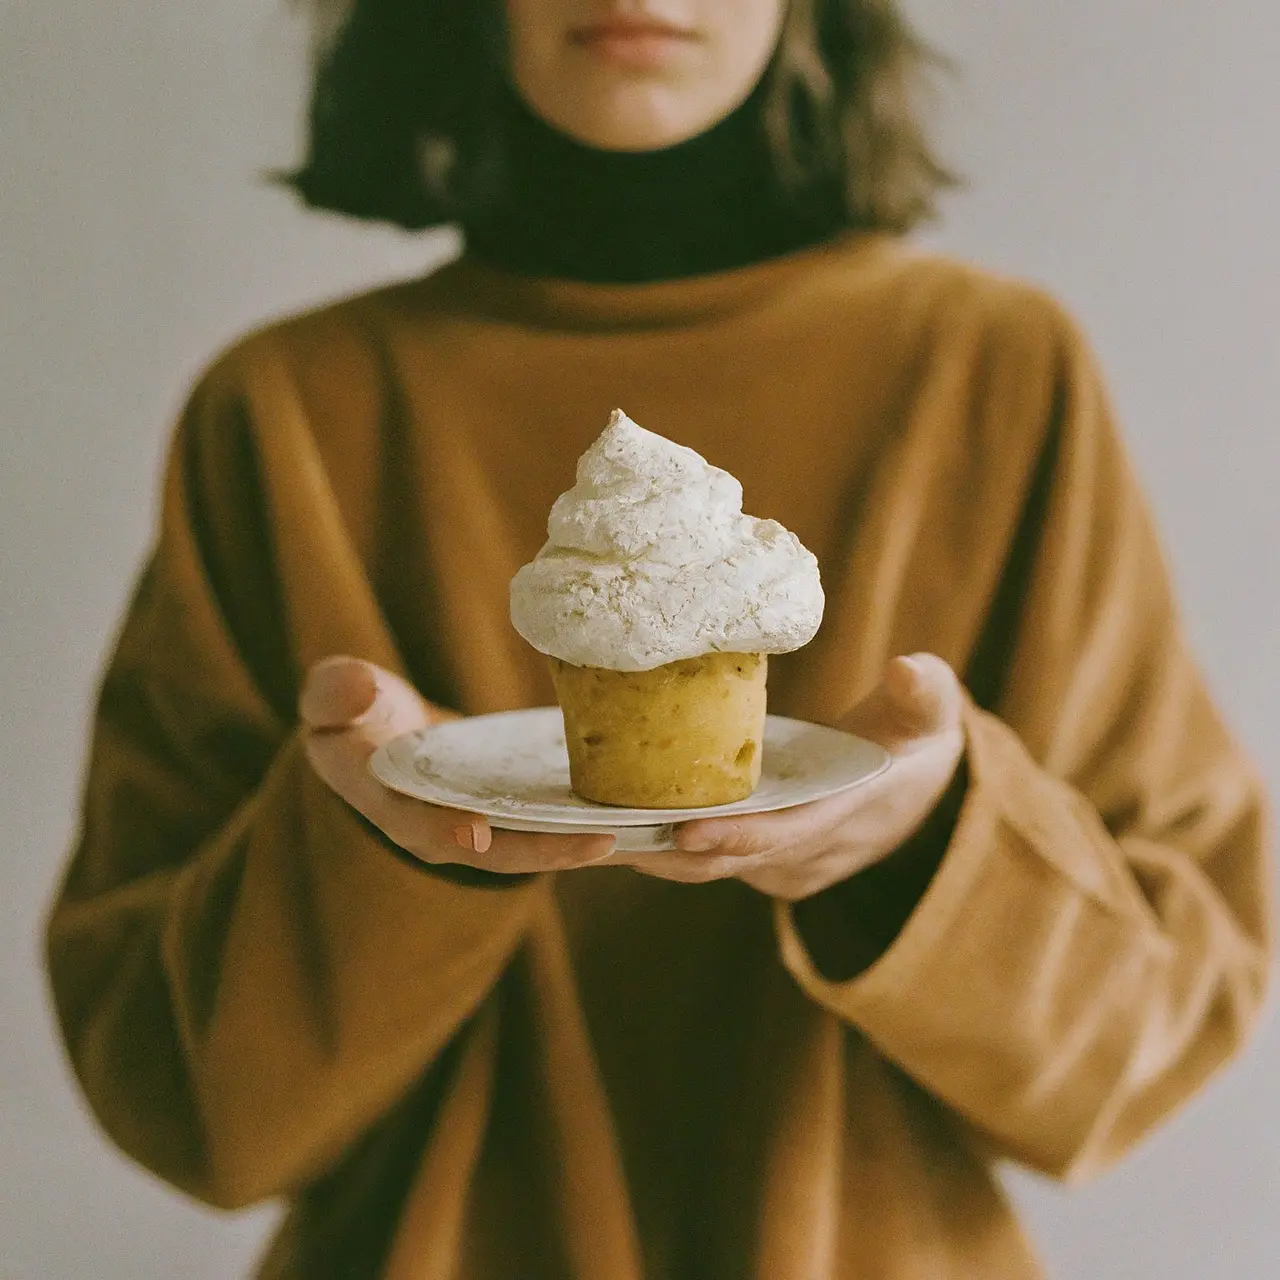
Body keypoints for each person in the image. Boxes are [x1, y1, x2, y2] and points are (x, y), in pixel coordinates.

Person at [45, 2, 1274, 1277]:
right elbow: (184, 1107)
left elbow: (1152, 1036)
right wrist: (386, 852)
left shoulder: (994, 376)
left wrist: (922, 848)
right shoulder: (286, 412)